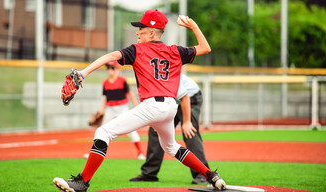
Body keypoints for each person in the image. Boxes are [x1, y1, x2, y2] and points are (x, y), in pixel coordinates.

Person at [53, 10, 226, 192]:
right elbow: (205, 48)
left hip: (152, 106)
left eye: (141, 29)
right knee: (170, 146)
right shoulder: (175, 51)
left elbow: (111, 57)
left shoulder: (138, 50)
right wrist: (194, 26)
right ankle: (211, 176)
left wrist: (83, 73)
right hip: (170, 107)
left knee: (103, 132)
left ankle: (82, 182)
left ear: (152, 32)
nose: (137, 33)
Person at [130, 73, 210, 184]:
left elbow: (184, 97)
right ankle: (149, 173)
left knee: (189, 132)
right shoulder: (148, 77)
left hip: (190, 98)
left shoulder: (166, 75)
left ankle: (203, 174)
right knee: (155, 131)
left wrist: (186, 122)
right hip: (173, 102)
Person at [85, 61, 145, 160]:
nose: (110, 70)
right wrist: (101, 110)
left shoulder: (122, 80)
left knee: (131, 130)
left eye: (112, 68)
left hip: (122, 108)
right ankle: (92, 153)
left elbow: (131, 93)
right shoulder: (105, 83)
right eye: (108, 68)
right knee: (102, 130)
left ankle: (140, 152)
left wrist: (137, 106)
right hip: (110, 109)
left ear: (118, 70)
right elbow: (105, 98)